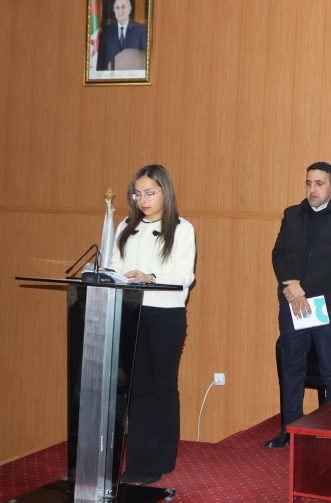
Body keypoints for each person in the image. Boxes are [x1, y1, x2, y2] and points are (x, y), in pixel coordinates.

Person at [109, 164, 196, 486]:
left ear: (164, 193)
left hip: (165, 315)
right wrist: (110, 275)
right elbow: (115, 265)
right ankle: (137, 460)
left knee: (162, 386)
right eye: (137, 194)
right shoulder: (126, 226)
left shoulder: (182, 228)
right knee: (137, 388)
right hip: (131, 312)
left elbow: (185, 274)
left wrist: (151, 277)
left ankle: (160, 459)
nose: (143, 200)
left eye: (149, 193)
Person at [265, 162, 331, 449]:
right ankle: (290, 428)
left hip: (327, 304)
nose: (313, 189)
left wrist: (302, 287)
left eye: (319, 183)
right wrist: (291, 287)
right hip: (293, 303)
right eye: (309, 183)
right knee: (292, 367)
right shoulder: (292, 214)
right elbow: (278, 254)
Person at [96, 0, 148, 71]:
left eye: (123, 7)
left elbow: (145, 58)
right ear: (114, 10)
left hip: (134, 77)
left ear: (129, 9)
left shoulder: (140, 29)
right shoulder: (107, 32)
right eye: (117, 8)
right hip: (111, 77)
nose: (120, 11)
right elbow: (101, 61)